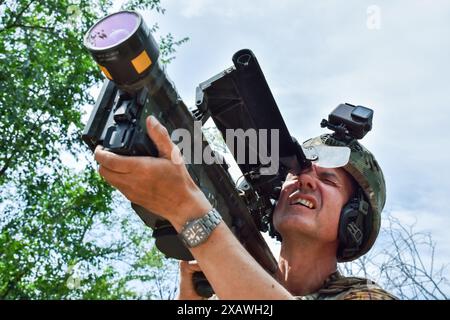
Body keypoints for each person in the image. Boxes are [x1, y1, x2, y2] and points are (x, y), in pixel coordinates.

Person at [94, 115, 397, 300]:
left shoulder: (366, 296)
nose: (305, 180)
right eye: (298, 171)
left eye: (328, 180)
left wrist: (188, 210)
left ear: (353, 220)